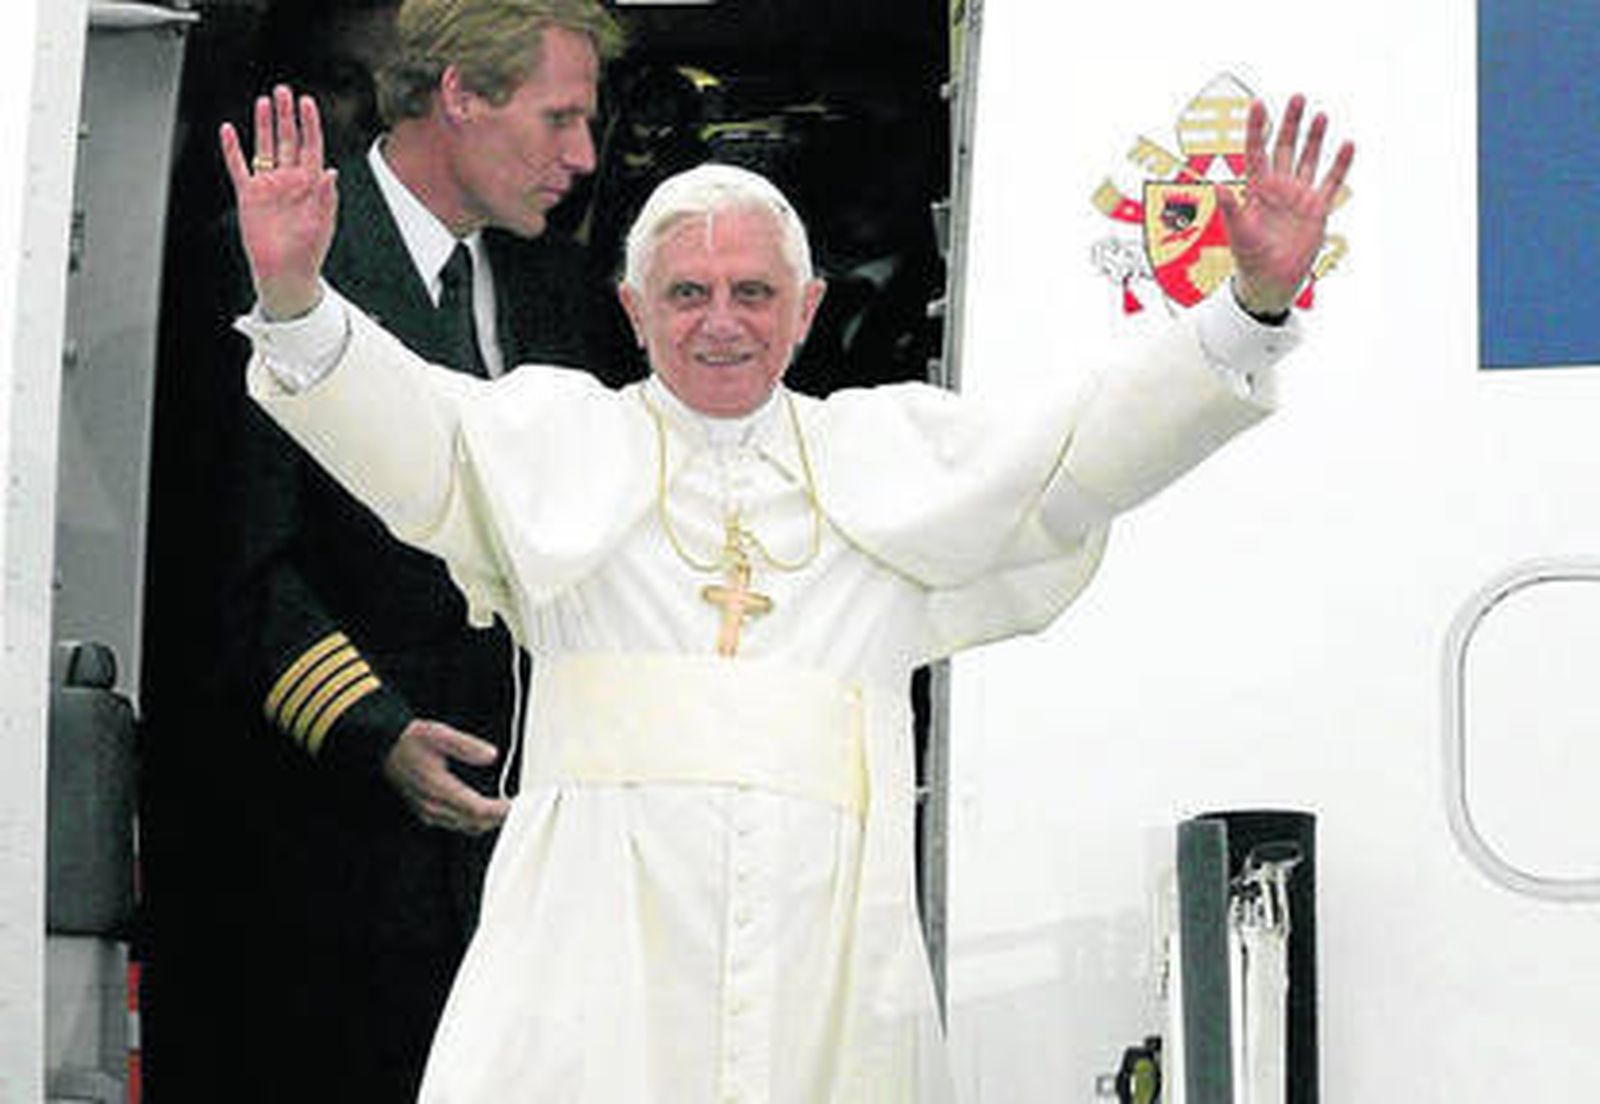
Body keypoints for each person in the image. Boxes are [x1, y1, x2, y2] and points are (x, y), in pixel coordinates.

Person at [219, 84, 1352, 1101]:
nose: (721, 322)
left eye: (753, 292)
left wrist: (1247, 305)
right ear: (633, 309)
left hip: (829, 959)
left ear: (807, 310)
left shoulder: (890, 465)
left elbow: (1082, 448)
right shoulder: (551, 446)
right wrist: (296, 294)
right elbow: (408, 428)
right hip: (594, 960)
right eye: (688, 293)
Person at [154, 3, 625, 1100]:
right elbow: (230, 557)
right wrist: (375, 731)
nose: (582, 158)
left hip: (512, 853)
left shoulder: (558, 288)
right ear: (459, 95)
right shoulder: (274, 260)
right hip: (327, 847)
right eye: (558, 118)